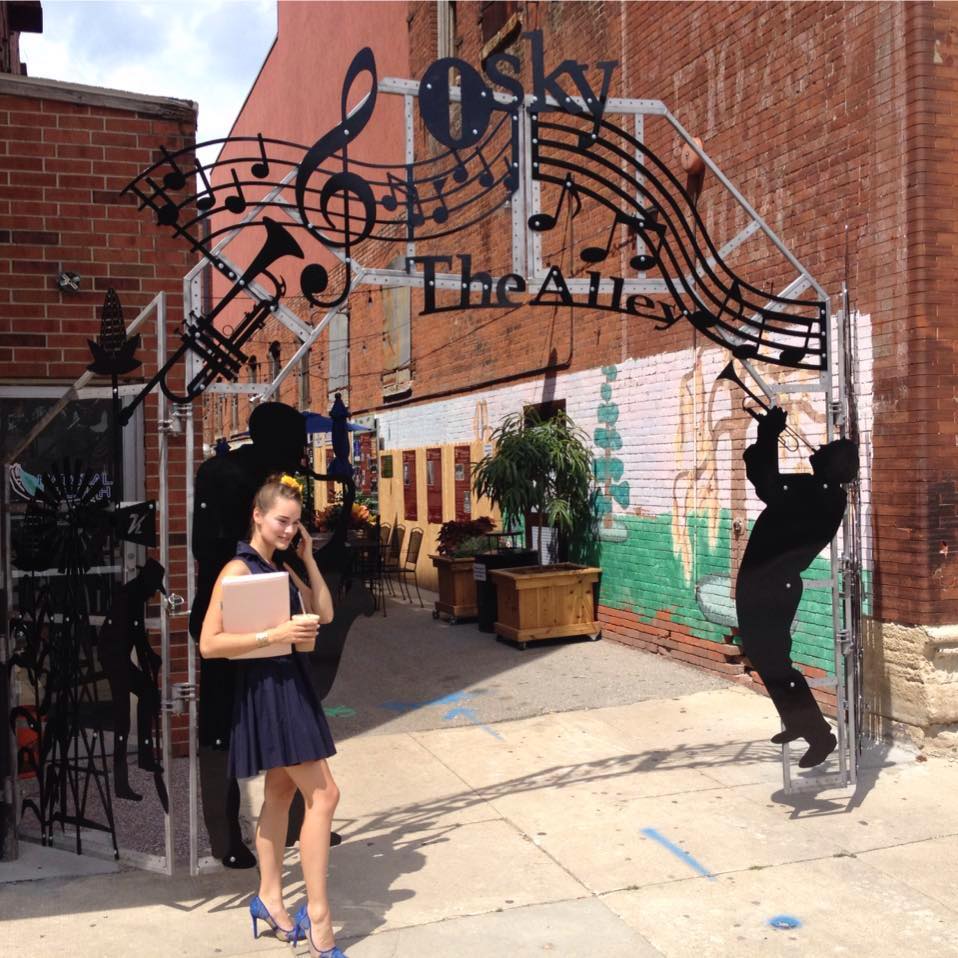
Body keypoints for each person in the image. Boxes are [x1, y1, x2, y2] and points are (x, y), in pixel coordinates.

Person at [200, 474, 346, 958]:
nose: (288, 529)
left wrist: (308, 558)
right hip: (271, 693)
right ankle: (319, 918)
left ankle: (269, 898)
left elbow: (325, 614)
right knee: (324, 795)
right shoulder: (238, 570)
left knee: (281, 794)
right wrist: (274, 636)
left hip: (290, 686)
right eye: (282, 521)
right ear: (258, 516)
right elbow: (209, 644)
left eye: (295, 523)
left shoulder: (277, 566)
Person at [190, 402, 311, 868]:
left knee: (287, 716)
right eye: (297, 441)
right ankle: (225, 839)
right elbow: (208, 547)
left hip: (271, 610)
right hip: (230, 613)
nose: (302, 451)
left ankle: (296, 823)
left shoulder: (273, 482)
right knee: (220, 727)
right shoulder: (226, 474)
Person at [735, 406, 859, 770]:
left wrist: (769, 436)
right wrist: (765, 440)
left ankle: (819, 735)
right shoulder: (818, 490)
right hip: (768, 582)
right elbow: (767, 483)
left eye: (828, 449)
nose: (819, 448)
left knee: (774, 660)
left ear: (834, 465)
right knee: (765, 657)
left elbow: (769, 485)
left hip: (773, 585)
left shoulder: (819, 493)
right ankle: (797, 720)